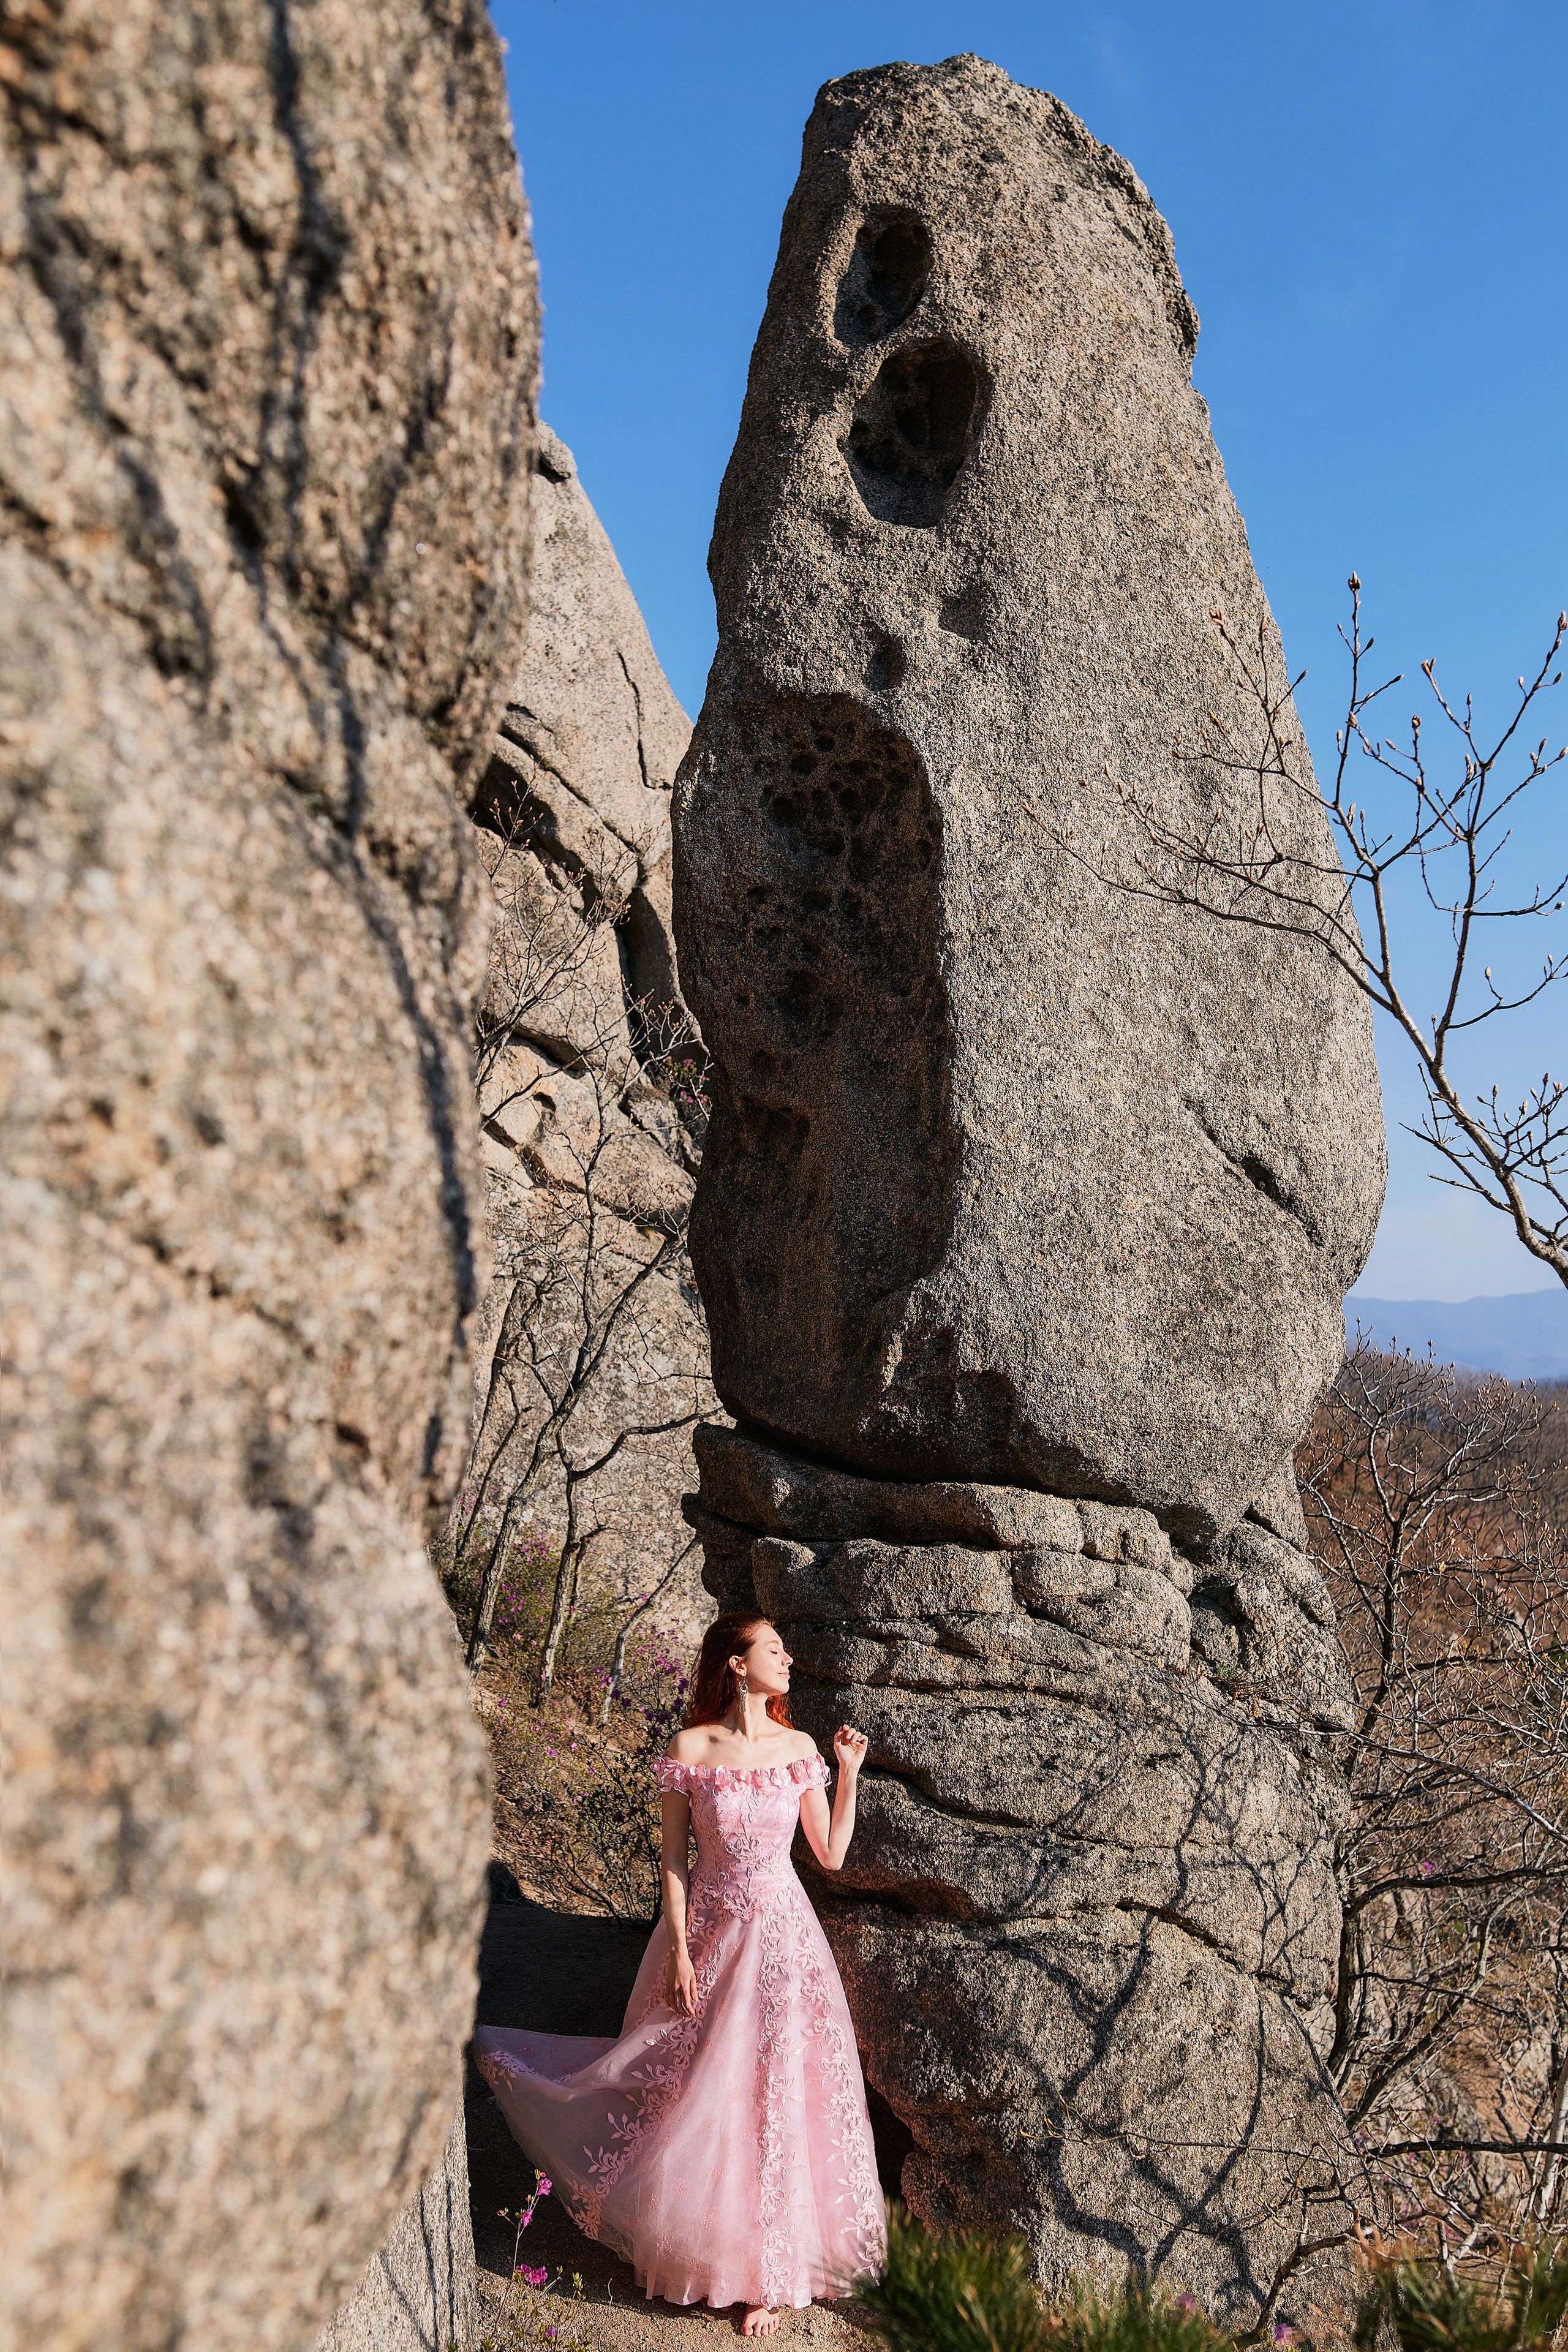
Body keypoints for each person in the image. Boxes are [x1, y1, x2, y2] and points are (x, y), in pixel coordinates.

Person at [472, 1611, 887, 2335]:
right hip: (710, 1934)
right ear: (735, 1662)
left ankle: (772, 2273)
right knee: (700, 2089)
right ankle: (710, 2248)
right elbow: (672, 1864)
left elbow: (829, 1855)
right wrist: (679, 1951)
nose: (787, 1659)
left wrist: (848, 1773)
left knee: (780, 2090)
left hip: (787, 1941)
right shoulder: (690, 1748)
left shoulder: (798, 1750)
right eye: (773, 1649)